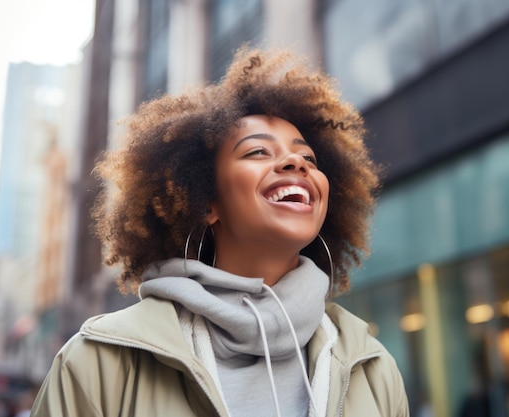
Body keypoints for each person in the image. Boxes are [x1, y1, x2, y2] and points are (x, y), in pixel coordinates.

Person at [31, 47, 409, 417]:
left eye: (308, 158)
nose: (295, 162)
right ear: (206, 201)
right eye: (258, 152)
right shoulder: (98, 360)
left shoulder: (373, 366)